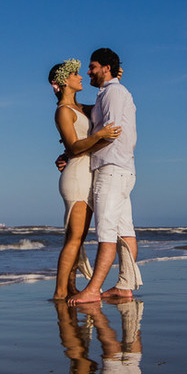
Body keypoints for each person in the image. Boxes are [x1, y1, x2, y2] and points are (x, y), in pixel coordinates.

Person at [68, 48, 142, 305]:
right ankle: (124, 285)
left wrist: (78, 151)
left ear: (106, 68)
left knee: (106, 230)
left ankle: (93, 289)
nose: (88, 72)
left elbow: (112, 132)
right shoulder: (107, 93)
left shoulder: (113, 93)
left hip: (111, 167)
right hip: (120, 168)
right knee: (124, 229)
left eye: (92, 67)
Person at [48, 59, 122, 301]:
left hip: (86, 173)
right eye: (75, 74)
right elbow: (74, 146)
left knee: (78, 238)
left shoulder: (81, 108)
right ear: (63, 81)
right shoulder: (63, 111)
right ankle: (60, 292)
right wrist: (100, 135)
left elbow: (103, 104)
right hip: (77, 177)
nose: (81, 77)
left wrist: (114, 78)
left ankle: (70, 288)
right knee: (74, 237)